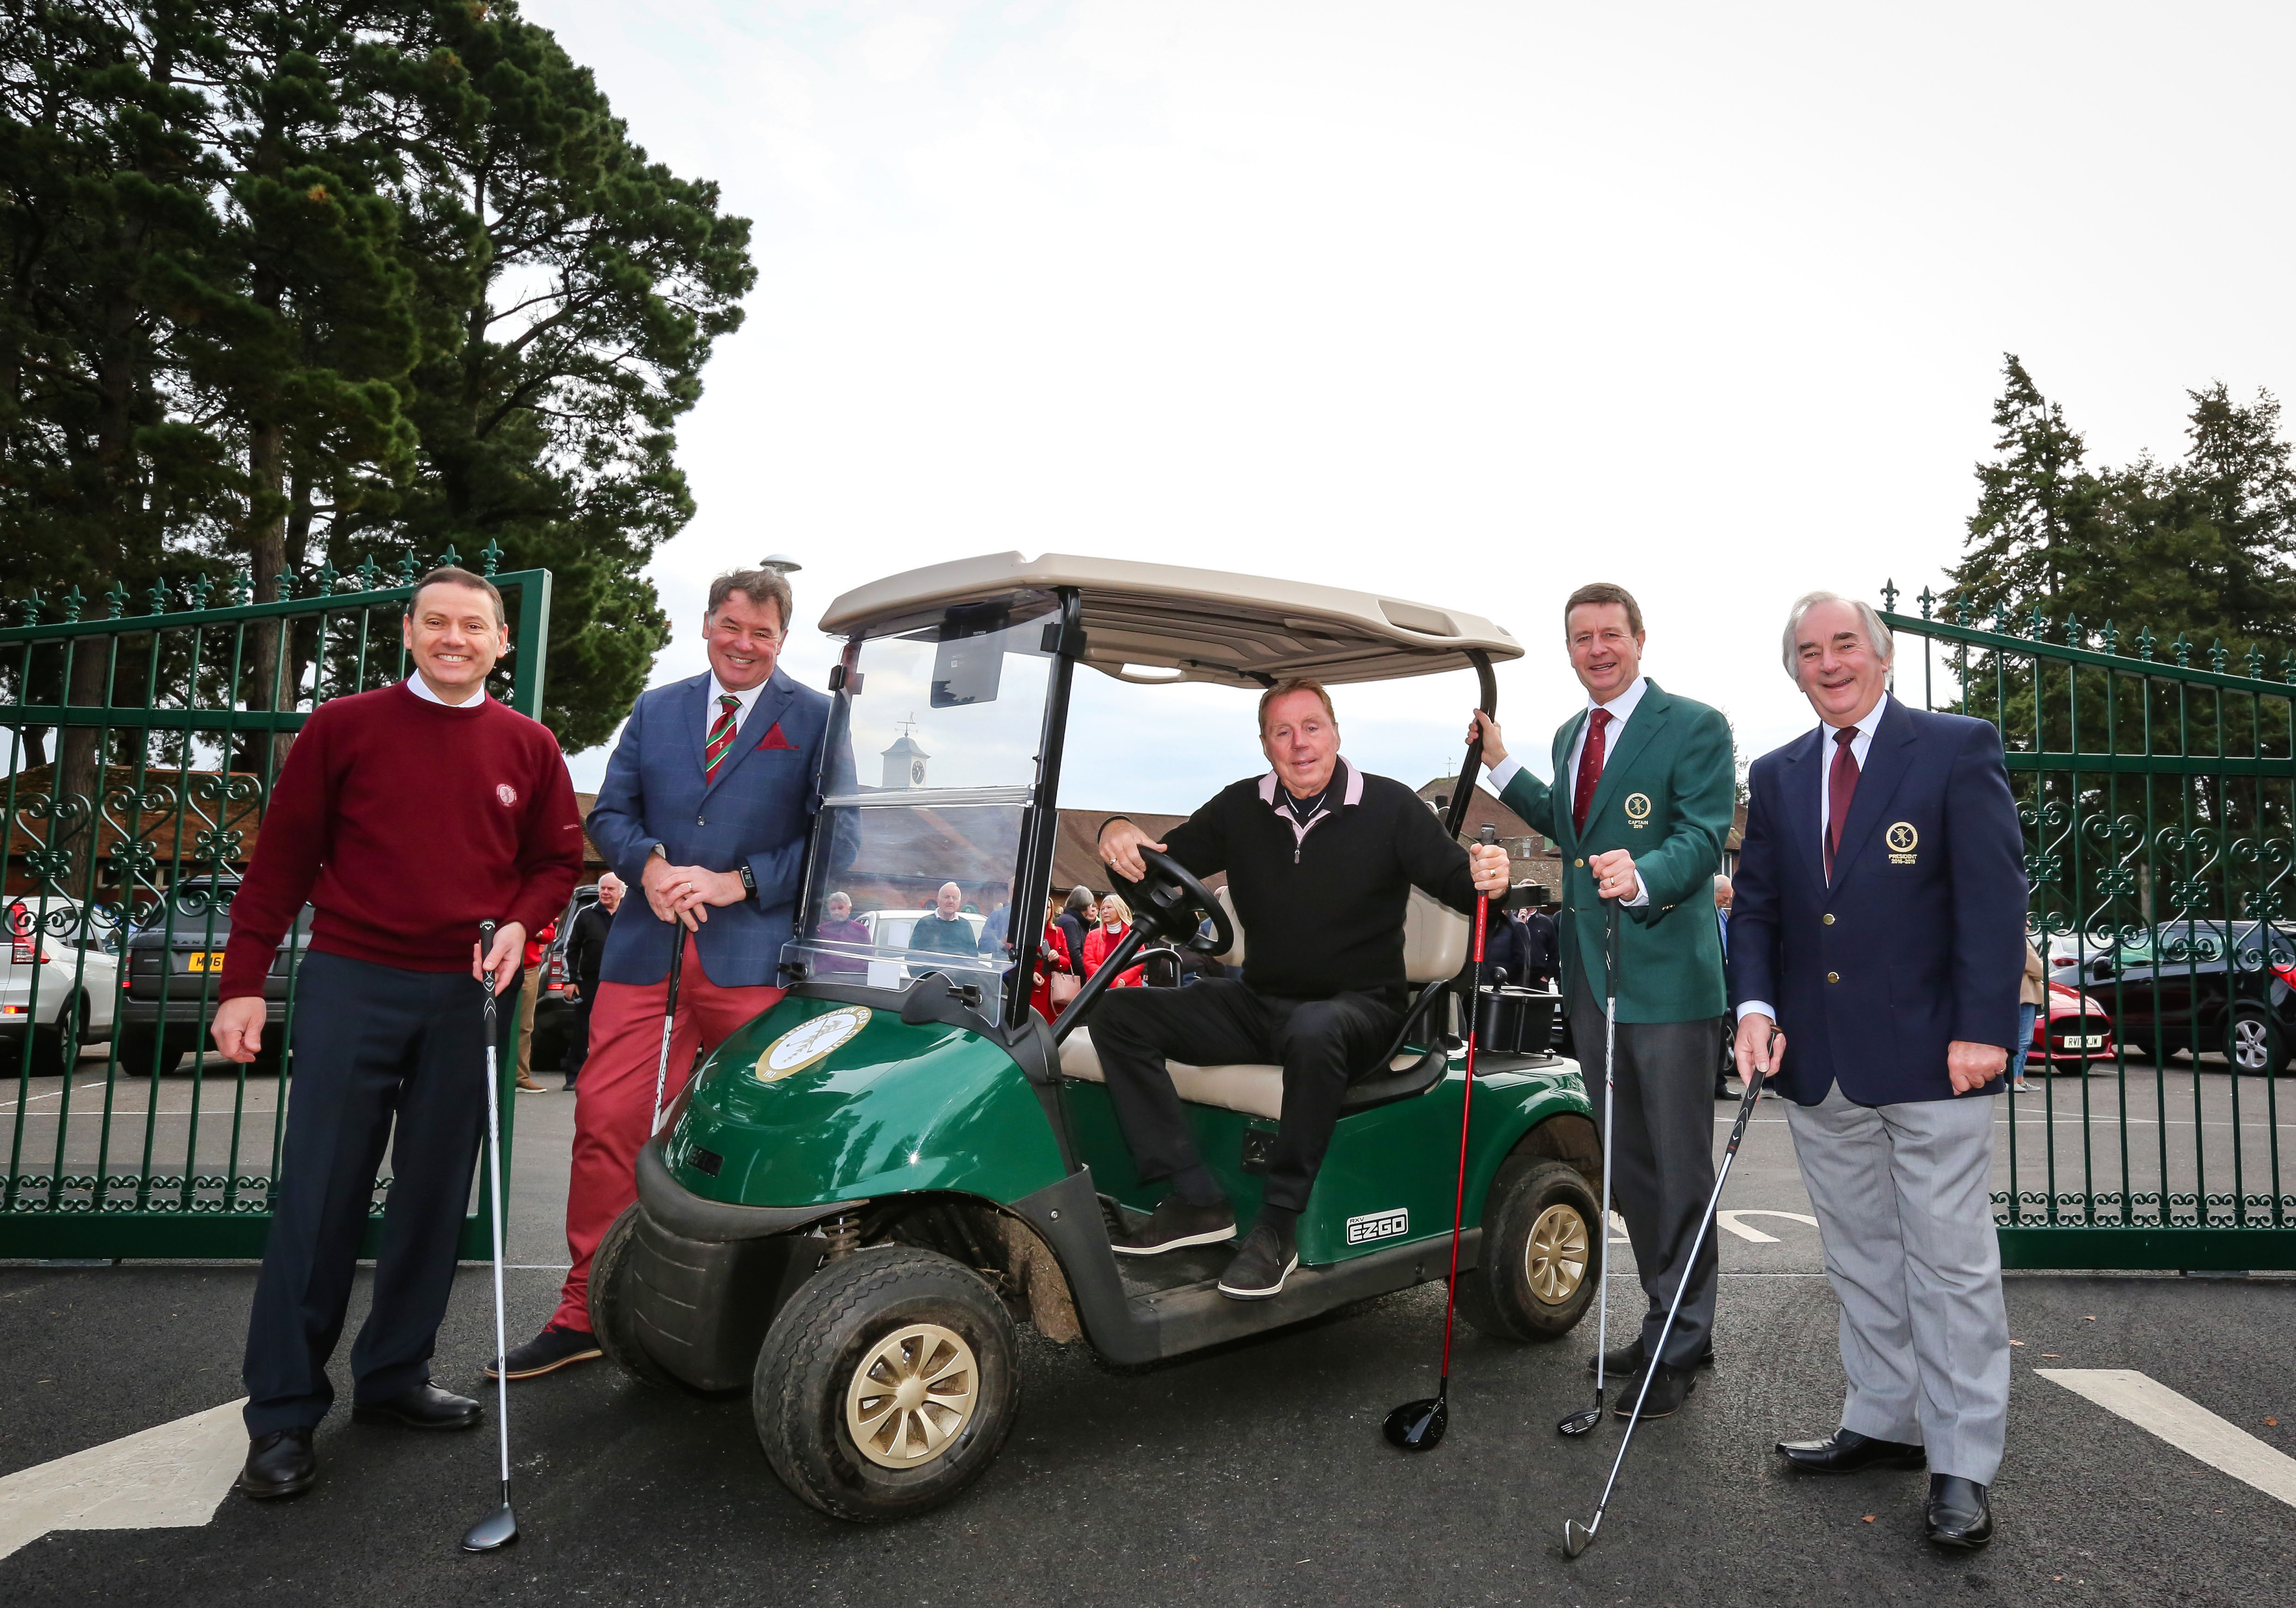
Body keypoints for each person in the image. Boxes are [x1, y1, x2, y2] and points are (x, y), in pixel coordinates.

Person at [209, 566, 585, 1501]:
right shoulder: (344, 726)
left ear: (502, 644)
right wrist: (243, 984)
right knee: (321, 1196)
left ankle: (393, 1379)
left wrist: (519, 923)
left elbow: (554, 862)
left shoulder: (530, 746)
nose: (455, 638)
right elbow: (283, 859)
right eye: (438, 622)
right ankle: (285, 1414)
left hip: (467, 994)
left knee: (431, 1197)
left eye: (475, 626)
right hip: (352, 982)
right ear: (409, 632)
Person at [494, 566, 853, 1381]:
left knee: (765, 1138)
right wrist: (649, 868)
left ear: (781, 641)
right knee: (605, 1128)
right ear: (706, 625)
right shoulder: (657, 709)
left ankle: (770, 1314)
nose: (744, 644)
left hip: (753, 961)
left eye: (762, 633)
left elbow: (842, 841)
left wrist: (741, 882)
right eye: (732, 625)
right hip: (642, 956)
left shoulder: (821, 720)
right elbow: (610, 814)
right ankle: (586, 1310)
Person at [1728, 591, 2025, 1551]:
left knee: (1950, 1268)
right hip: (1819, 1067)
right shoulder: (1774, 778)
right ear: (1796, 670)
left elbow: (1992, 894)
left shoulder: (1953, 747)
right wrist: (1757, 1008)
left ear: (1882, 656)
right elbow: (1762, 910)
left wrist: (1986, 1025)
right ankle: (1886, 1420)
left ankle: (1963, 1465)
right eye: (1809, 651)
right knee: (1860, 1257)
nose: (1829, 663)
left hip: (1937, 1055)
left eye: (1844, 644)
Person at [1096, 678, 1509, 1301]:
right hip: (1261, 1002)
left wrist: (1490, 879)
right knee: (1118, 1014)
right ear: (1266, 746)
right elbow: (1158, 861)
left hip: (1361, 1009)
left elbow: (1462, 885)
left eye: (1311, 727)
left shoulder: (1392, 808)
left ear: (1336, 733)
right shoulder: (1242, 807)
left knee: (1316, 1031)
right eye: (1282, 732)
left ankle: (1278, 1225)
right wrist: (1116, 831)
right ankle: (1196, 1198)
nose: (1299, 744)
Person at [1467, 580, 1734, 1419]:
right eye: (1581, 638)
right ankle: (1672, 1316)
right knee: (1629, 1168)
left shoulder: (1694, 726)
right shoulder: (1566, 735)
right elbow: (1566, 824)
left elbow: (1700, 833)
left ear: (1639, 638)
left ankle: (1680, 1339)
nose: (1596, 649)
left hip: (1667, 986)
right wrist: (1500, 761)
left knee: (1679, 1166)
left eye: (1609, 634)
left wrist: (1644, 873)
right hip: (1592, 982)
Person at [560, 873, 624, 1089]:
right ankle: (574, 1076)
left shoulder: (630, 915)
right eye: (603, 888)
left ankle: (613, 1076)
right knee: (583, 1029)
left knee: (619, 1029)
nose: (605, 892)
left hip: (622, 983)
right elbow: (571, 948)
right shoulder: (585, 915)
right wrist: (570, 980)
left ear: (622, 892)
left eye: (610, 889)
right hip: (589, 981)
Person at [513, 916, 556, 1092]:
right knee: (493, 1022)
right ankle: (490, 1075)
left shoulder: (534, 906)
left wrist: (535, 932)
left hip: (528, 969)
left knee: (525, 1026)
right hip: (497, 966)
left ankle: (521, 1078)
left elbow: (549, 934)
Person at [1082, 892, 1146, 987]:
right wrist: (1113, 982)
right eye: (1103, 909)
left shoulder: (1133, 935)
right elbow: (1089, 964)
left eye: (1109, 908)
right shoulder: (1093, 935)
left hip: (1128, 989)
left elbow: (1138, 964)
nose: (1105, 912)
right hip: (1098, 989)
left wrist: (1122, 980)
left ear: (1119, 909)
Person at [2009, 937, 2045, 1092]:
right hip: (2025, 995)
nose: (2030, 924)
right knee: (2023, 1039)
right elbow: (2039, 970)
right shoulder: (2021, 941)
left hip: (2020, 994)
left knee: (2025, 1040)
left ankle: (2019, 1079)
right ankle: (2013, 1080)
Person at [812, 889, 873, 977]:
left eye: (841, 908)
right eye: (833, 909)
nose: (837, 912)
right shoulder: (821, 931)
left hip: (852, 981)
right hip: (825, 980)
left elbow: (869, 960)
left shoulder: (861, 930)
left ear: (849, 909)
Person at [1714, 874, 1737, 1098]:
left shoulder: (1722, 916)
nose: (1728, 902)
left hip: (1724, 980)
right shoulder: (1706, 915)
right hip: (1708, 985)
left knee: (1721, 1036)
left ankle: (1719, 1085)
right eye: (1725, 897)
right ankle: (1713, 1085)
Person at [1521, 900, 1559, 992]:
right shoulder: (1512, 920)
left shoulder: (1546, 922)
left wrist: (1546, 977)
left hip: (1538, 980)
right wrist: (1520, 925)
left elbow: (1555, 952)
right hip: (1514, 979)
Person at [1056, 887, 1094, 979]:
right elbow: (1074, 953)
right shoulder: (1071, 923)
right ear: (1086, 905)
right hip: (1072, 977)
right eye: (1091, 905)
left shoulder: (1069, 920)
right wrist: (1088, 974)